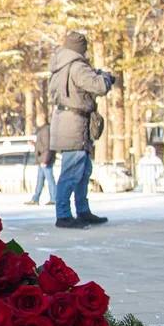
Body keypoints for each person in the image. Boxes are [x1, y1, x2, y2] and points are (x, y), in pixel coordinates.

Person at [48, 30, 113, 229]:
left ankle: (82, 211)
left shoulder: (61, 65)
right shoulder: (77, 66)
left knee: (83, 170)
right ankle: (63, 215)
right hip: (74, 123)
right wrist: (106, 77)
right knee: (71, 171)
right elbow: (98, 86)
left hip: (67, 121)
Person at [24, 114, 57, 205]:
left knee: (50, 179)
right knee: (40, 180)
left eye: (38, 119)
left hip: (45, 160)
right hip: (41, 159)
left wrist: (45, 160)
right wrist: (35, 144)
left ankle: (54, 198)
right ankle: (36, 198)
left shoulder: (45, 130)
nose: (37, 121)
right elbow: (42, 145)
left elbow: (47, 146)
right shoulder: (42, 130)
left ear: (42, 120)